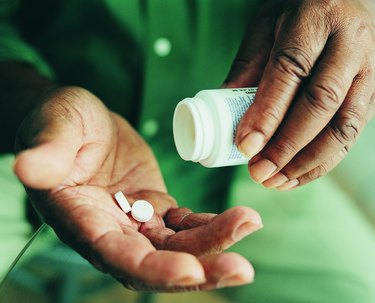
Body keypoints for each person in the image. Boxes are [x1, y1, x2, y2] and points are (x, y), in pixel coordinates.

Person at [0, 0, 375, 300]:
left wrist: (356, 8)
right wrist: (37, 100)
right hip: (35, 135)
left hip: (246, 167)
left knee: (360, 288)